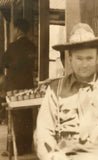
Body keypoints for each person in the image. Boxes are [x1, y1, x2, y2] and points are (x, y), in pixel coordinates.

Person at [35, 23, 98, 160]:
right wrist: (51, 156)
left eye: (89, 58)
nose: (84, 64)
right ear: (70, 59)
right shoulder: (55, 89)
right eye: (79, 58)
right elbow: (43, 131)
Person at [0, 18, 37, 155]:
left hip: (14, 88)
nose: (14, 31)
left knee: (14, 117)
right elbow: (33, 65)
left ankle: (14, 149)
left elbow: (3, 64)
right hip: (28, 87)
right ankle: (27, 147)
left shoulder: (12, 46)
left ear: (18, 30)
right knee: (27, 116)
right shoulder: (32, 46)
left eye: (14, 29)